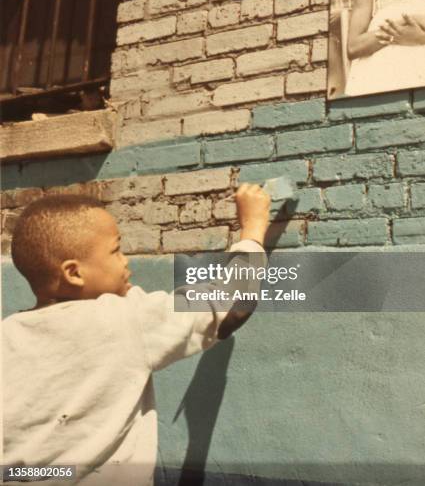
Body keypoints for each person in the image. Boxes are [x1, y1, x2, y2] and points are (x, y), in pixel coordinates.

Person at [3, 184, 271, 485]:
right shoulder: (123, 319)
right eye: (116, 249)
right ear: (74, 273)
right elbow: (231, 303)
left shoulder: (7, 335)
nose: (126, 260)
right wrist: (253, 227)